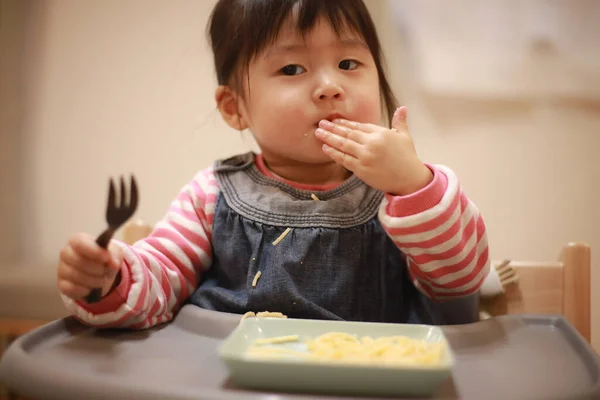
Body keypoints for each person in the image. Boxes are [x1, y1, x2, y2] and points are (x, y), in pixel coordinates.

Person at [57, 0, 489, 329]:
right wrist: (110, 280)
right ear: (234, 107)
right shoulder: (211, 195)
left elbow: (460, 282)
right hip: (228, 382)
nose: (329, 87)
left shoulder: (406, 192)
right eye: (292, 67)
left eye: (348, 63)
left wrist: (414, 184)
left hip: (365, 382)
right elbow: (161, 280)